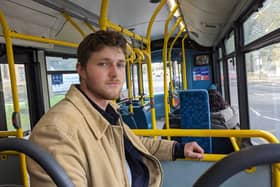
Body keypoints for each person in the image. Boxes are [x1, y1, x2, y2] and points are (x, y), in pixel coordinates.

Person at [27, 30, 204, 187]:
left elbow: (133, 143)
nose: (115, 73)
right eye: (103, 64)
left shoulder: (106, 110)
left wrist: (178, 148)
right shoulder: (56, 132)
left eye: (120, 64)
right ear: (81, 69)